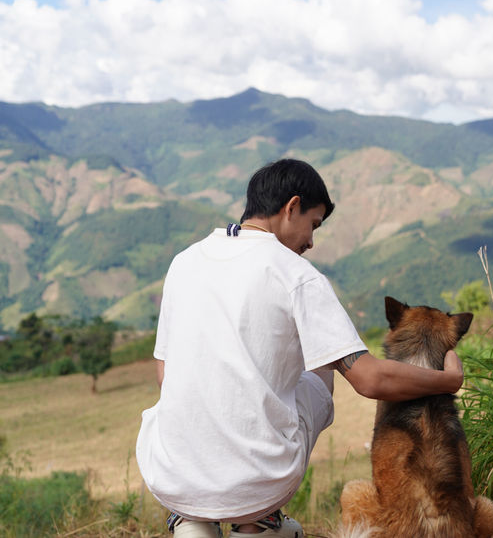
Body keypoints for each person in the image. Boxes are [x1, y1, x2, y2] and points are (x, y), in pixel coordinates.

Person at [136, 158, 464, 538]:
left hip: (170, 474)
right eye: (313, 224)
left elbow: (165, 374)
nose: (311, 241)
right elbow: (370, 379)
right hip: (258, 483)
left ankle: (191, 521)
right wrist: (447, 380)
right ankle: (259, 521)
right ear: (291, 207)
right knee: (321, 369)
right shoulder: (297, 275)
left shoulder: (184, 261)